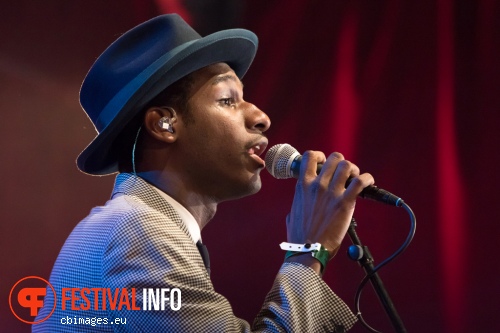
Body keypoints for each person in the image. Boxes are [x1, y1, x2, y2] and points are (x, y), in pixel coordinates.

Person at [33, 14, 374, 332]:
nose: (260, 117)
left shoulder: (137, 226)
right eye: (228, 99)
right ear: (164, 124)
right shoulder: (136, 233)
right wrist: (307, 250)